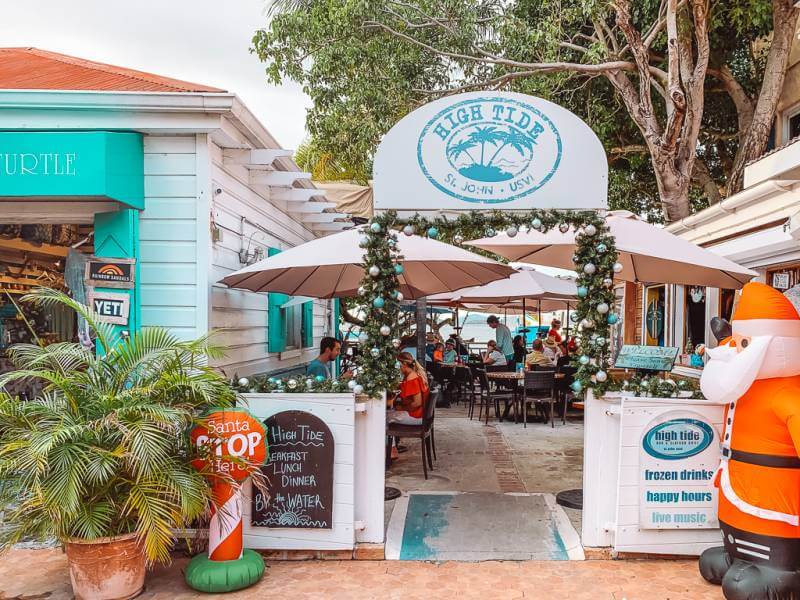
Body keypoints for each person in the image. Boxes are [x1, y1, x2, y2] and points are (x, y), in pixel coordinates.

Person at [698, 282, 800, 598]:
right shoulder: (745, 384)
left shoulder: (788, 395)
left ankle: (780, 571)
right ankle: (737, 553)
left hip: (773, 504)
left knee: (745, 585)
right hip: (736, 491)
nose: (730, 347)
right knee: (717, 565)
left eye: (740, 342)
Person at [387, 352, 429, 425]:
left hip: (416, 416)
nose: (396, 367)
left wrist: (402, 408)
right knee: (387, 413)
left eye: (397, 365)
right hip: (420, 414)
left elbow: (417, 403)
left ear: (404, 364)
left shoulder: (411, 378)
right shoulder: (413, 374)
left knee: (383, 417)